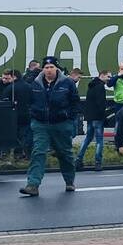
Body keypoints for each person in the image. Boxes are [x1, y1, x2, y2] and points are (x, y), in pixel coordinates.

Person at [19, 56, 79, 196]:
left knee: (65, 154)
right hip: (41, 124)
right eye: (46, 67)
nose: (49, 70)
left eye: (52, 67)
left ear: (57, 68)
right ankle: (33, 184)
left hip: (61, 124)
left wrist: (70, 119)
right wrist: (33, 115)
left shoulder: (67, 83)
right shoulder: (35, 83)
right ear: (43, 69)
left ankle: (69, 181)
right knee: (38, 152)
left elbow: (75, 102)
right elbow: (28, 101)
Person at [76, 70, 110, 171]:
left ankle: (78, 159)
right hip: (98, 117)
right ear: (102, 76)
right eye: (108, 76)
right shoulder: (100, 87)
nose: (109, 79)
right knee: (99, 140)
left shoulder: (91, 86)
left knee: (88, 138)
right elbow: (101, 104)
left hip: (90, 116)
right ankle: (98, 162)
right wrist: (104, 117)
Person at [5, 70, 33, 160]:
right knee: (26, 134)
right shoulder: (29, 86)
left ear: (14, 77)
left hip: (14, 115)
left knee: (16, 135)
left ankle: (17, 153)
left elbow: (4, 100)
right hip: (27, 114)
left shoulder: (10, 88)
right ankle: (28, 153)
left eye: (9, 77)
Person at [107, 62, 123, 156]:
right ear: (119, 69)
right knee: (118, 126)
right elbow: (109, 84)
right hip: (119, 104)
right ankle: (118, 146)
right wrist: (118, 75)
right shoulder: (116, 78)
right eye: (122, 69)